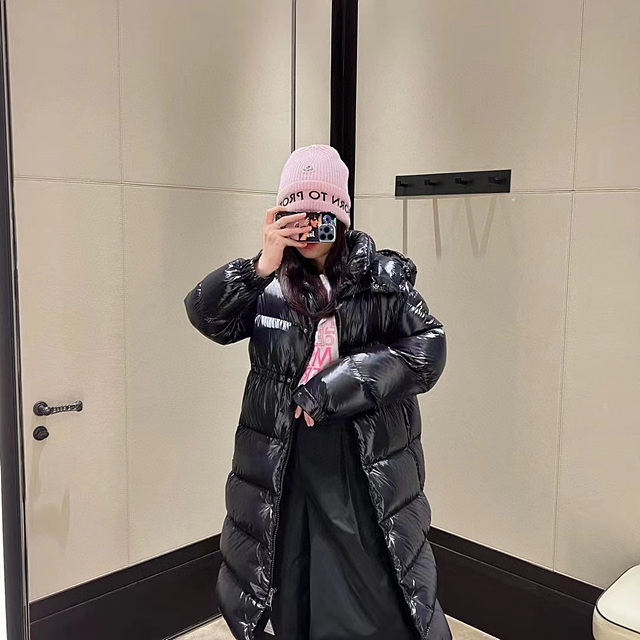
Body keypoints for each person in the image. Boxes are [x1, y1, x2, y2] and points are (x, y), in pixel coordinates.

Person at [183, 144, 452, 640]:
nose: (307, 230)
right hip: (282, 454)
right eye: (296, 216)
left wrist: (337, 386)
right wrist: (258, 266)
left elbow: (428, 349)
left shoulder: (383, 278)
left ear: (341, 216)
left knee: (367, 587)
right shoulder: (267, 284)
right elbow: (206, 316)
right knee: (290, 580)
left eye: (320, 216)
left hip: (361, 456)